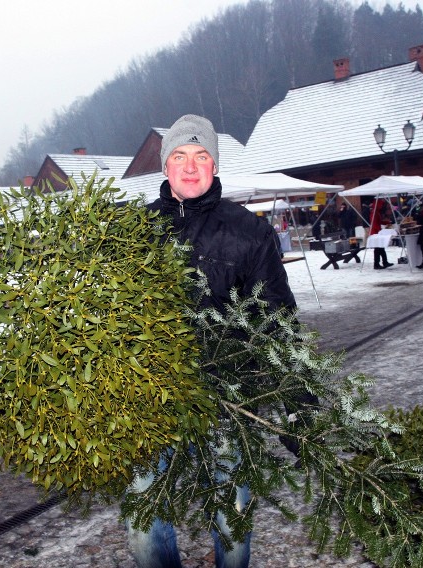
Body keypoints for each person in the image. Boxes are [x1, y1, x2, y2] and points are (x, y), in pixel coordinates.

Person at [128, 114, 298, 568]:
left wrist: (297, 402)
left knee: (233, 524)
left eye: (201, 156)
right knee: (144, 528)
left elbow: (278, 319)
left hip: (227, 402)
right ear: (165, 167)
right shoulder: (135, 234)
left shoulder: (249, 232)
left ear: (215, 166)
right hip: (153, 401)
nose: (190, 166)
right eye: (179, 156)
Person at [369, 198, 393, 269]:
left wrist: (387, 222)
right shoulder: (374, 213)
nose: (382, 206)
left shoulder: (376, 212)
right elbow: (374, 223)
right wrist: (380, 230)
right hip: (375, 233)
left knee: (381, 248)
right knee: (378, 249)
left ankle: (384, 262)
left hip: (377, 232)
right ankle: (376, 264)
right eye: (381, 205)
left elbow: (379, 222)